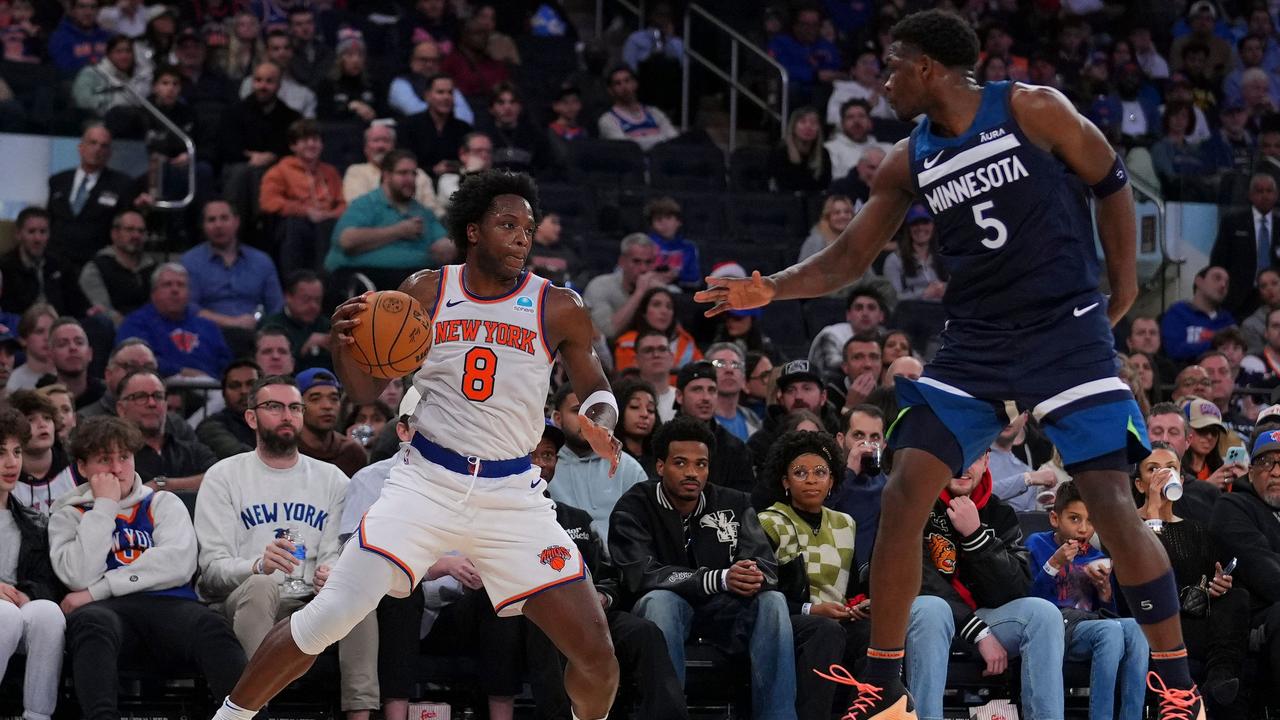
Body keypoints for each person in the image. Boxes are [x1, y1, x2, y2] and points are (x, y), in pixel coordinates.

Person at [696, 9, 1205, 717]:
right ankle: (887, 687)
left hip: (1065, 329)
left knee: (1115, 510)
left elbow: (1112, 184)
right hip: (977, 341)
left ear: (927, 65)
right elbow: (850, 257)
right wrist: (773, 286)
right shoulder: (910, 158)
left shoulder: (1030, 106)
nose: (882, 85)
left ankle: (1180, 689)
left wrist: (1121, 292)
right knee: (906, 492)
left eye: (892, 66)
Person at [209, 169, 624, 720]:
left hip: (511, 495)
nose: (523, 237)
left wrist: (598, 419)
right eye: (507, 225)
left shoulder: (558, 306)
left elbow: (595, 385)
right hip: (425, 484)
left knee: (598, 657)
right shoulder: (426, 292)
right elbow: (361, 391)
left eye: (528, 227)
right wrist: (345, 346)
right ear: (472, 231)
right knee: (325, 618)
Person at [194, 375, 379, 720]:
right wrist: (257, 566)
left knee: (357, 595)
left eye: (294, 407)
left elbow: (333, 552)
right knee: (263, 585)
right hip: (244, 599)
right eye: (273, 407)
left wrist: (331, 572)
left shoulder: (332, 478)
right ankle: (252, 712)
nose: (287, 415)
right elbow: (213, 570)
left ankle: (361, 714)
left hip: (309, 599)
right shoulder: (223, 476)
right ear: (251, 418)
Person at [49, 415, 247, 720]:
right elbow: (77, 575)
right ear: (82, 467)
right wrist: (104, 508)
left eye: (124, 457)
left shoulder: (162, 502)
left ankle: (247, 716)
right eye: (104, 459)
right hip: (107, 612)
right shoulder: (68, 513)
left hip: (168, 605)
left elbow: (177, 563)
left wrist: (98, 589)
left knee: (211, 625)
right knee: (92, 624)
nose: (117, 468)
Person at [609, 416, 797, 720]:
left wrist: (752, 574)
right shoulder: (634, 506)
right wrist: (718, 579)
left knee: (773, 601)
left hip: (725, 611)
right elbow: (638, 573)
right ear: (660, 467)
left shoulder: (735, 502)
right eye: (680, 463)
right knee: (661, 602)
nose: (692, 473)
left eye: (701, 464)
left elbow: (767, 566)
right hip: (665, 609)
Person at [906, 450, 1066, 720]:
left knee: (1044, 614)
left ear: (986, 461)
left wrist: (976, 536)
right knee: (931, 608)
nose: (965, 466)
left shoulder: (999, 512)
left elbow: (1015, 589)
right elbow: (918, 581)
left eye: (975, 456)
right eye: (957, 456)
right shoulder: (915, 502)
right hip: (930, 619)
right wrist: (979, 632)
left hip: (987, 617)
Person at [758, 429, 871, 720]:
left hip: (837, 618)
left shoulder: (846, 524)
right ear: (785, 481)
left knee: (874, 634)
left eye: (820, 472)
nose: (811, 480)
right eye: (800, 472)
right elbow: (763, 596)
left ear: (832, 480)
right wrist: (812, 609)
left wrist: (859, 605)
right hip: (790, 620)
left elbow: (854, 586)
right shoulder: (769, 521)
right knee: (826, 631)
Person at [1136, 443, 1249, 715]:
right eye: (1154, 469)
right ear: (1140, 485)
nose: (1163, 475)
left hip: (1193, 620)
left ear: (1181, 481)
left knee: (1237, 597)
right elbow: (1149, 576)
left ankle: (1218, 680)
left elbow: (1204, 584)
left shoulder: (1197, 529)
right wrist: (1152, 514)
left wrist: (1217, 586)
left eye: (1170, 469)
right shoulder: (1128, 526)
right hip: (1153, 624)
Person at [1027, 481, 1150, 720]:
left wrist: (1105, 593)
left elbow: (1107, 614)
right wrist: (1054, 563)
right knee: (1110, 632)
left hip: (1088, 627)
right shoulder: (1037, 544)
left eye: (1090, 520)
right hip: (1051, 627)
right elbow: (1029, 600)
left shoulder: (1097, 557)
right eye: (1074, 519)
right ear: (1055, 519)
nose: (1083, 528)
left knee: (1136, 628)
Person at [0, 406, 65, 720]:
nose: (11, 463)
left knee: (47, 612)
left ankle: (37, 716)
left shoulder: (33, 521)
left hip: (13, 606)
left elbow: (47, 582)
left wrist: (28, 594)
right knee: (6, 616)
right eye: (0, 453)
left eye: (16, 451)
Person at [1209, 427, 1280, 700]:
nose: (1275, 472)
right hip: (1256, 623)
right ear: (1250, 473)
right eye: (1265, 463)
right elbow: (1266, 575)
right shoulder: (1232, 506)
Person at [327, 148, 451, 295]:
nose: (410, 178)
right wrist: (399, 230)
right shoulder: (366, 204)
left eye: (414, 173)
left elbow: (445, 244)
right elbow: (347, 240)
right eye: (403, 173)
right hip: (368, 281)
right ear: (386, 175)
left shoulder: (422, 211)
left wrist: (446, 246)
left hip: (417, 281)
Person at [547, 384, 647, 550]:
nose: (588, 420)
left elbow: (645, 529)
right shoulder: (543, 467)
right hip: (559, 564)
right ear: (557, 418)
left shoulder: (628, 468)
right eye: (577, 410)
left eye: (596, 412)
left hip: (620, 567)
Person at [181, 199, 284, 354]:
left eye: (224, 218)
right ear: (204, 226)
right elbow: (190, 308)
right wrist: (232, 322)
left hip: (255, 336)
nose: (218, 225)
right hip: (208, 335)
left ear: (236, 221)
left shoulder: (262, 261)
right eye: (211, 220)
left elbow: (276, 307)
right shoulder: (190, 261)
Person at [46, 124, 146, 273]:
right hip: (57, 262)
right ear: (81, 147)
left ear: (109, 153)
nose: (98, 149)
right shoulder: (58, 180)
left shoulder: (122, 184)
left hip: (98, 265)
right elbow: (50, 219)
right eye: (92, 143)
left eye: (104, 145)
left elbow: (127, 223)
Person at [259, 119, 347, 277]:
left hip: (326, 222)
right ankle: (296, 283)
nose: (311, 144)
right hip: (295, 225)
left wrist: (329, 214)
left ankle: (327, 282)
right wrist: (305, 211)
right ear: (293, 146)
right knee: (296, 225)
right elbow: (268, 202)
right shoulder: (279, 170)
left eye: (315, 140)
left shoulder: (330, 171)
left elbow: (342, 203)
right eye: (305, 140)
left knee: (330, 225)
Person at [116, 263, 233, 380]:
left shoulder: (208, 326)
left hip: (211, 387)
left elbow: (226, 365)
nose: (175, 290)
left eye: (181, 285)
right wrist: (180, 372)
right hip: (159, 387)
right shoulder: (135, 323)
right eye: (167, 284)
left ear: (189, 293)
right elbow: (134, 360)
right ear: (153, 293)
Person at [114, 368, 217, 491]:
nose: (152, 403)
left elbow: (221, 478)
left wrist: (162, 484)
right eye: (140, 397)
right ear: (121, 409)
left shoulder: (192, 451)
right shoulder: (112, 457)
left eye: (158, 396)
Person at [674, 360, 756, 494]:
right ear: (679, 396)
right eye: (697, 389)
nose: (706, 398)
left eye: (711, 390)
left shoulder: (736, 449)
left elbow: (744, 501)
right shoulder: (661, 441)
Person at [827, 404, 889, 567]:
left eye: (875, 437)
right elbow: (815, 514)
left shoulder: (890, 488)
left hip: (878, 577)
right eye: (858, 435)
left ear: (883, 445)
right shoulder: (822, 481)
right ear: (841, 440)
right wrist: (850, 472)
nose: (866, 445)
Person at [1211, 173, 1279, 319]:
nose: (1265, 196)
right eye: (1259, 191)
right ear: (1250, 195)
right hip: (1238, 298)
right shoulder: (1233, 222)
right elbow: (1218, 262)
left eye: (1269, 191)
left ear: (1276, 195)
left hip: (1276, 299)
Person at [583, 232, 674, 339]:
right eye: (636, 261)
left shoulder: (659, 290)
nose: (643, 269)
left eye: (648, 262)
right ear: (622, 262)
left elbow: (671, 336)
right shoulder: (600, 286)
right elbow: (607, 333)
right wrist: (639, 293)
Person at [0, 207, 86, 318]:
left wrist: (91, 311)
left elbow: (79, 304)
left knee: (100, 322)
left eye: (43, 232)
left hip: (59, 326)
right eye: (31, 231)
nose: (38, 238)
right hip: (21, 327)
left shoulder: (60, 264)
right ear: (18, 234)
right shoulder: (6, 267)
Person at [341, 123, 441, 215]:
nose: (381, 146)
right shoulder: (356, 172)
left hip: (421, 228)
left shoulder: (418, 173)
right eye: (375, 140)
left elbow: (433, 210)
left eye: (386, 141)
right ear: (366, 148)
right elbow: (358, 208)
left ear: (394, 147)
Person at [78, 209, 156, 326]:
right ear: (114, 234)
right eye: (130, 230)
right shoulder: (95, 269)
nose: (136, 235)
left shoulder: (153, 268)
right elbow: (104, 312)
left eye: (141, 231)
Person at [397, 73, 473, 179]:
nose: (446, 97)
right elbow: (402, 162)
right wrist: (432, 170)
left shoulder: (464, 128)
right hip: (418, 183)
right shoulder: (408, 126)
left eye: (450, 93)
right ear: (427, 96)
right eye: (440, 92)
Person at [294, 368, 366, 478]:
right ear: (297, 406)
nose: (327, 406)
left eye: (334, 398)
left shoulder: (352, 453)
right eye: (315, 399)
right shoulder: (286, 451)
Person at [807, 289, 886, 385]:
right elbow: (832, 372)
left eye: (871, 308)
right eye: (859, 308)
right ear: (848, 315)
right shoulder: (831, 335)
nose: (865, 313)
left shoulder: (886, 338)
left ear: (881, 316)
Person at [613, 287, 700, 372]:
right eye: (656, 305)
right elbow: (627, 379)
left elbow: (702, 371)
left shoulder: (686, 342)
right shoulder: (627, 343)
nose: (664, 311)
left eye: (669, 307)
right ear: (644, 312)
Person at [259, 270, 331, 372]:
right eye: (306, 299)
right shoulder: (270, 326)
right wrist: (303, 348)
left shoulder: (326, 325)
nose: (313, 306)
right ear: (288, 297)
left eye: (318, 300)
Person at [1161, 266, 1237, 362]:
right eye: (1217, 278)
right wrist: (1214, 343)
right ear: (1199, 281)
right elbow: (1174, 350)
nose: (1223, 285)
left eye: (1227, 283)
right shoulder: (1178, 312)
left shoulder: (1227, 320)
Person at [987, 413, 1058, 512]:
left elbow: (1029, 518)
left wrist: (1051, 502)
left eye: (1014, 412)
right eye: (1004, 409)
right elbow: (977, 494)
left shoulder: (1027, 471)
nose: (1009, 419)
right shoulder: (974, 455)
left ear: (1025, 418)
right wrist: (1027, 478)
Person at [236, 30, 316, 117]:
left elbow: (307, 126)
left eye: (286, 48)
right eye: (276, 49)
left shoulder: (304, 92)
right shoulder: (251, 83)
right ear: (267, 52)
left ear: (292, 52)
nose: (282, 53)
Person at [597, 64, 677, 152]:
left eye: (627, 81)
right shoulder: (607, 120)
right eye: (618, 83)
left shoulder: (654, 113)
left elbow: (674, 140)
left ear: (635, 84)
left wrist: (637, 140)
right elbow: (628, 149)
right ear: (610, 91)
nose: (624, 87)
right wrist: (660, 139)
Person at [196, 360, 261, 459]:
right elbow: (241, 457)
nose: (244, 391)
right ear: (224, 394)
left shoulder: (275, 421)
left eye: (251, 384)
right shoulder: (211, 426)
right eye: (235, 386)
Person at [882, 205, 946, 303]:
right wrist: (924, 293)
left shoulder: (944, 255)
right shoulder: (894, 261)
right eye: (915, 223)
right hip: (911, 313)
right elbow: (892, 299)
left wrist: (945, 289)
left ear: (933, 225)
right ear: (908, 228)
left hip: (944, 312)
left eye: (925, 222)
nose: (920, 227)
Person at [706, 342, 760, 442]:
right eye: (719, 363)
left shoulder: (753, 419)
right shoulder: (698, 420)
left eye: (736, 365)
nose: (729, 369)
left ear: (743, 379)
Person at [770, 106, 832, 194]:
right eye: (802, 122)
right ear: (793, 127)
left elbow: (824, 185)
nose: (808, 127)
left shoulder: (824, 154)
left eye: (813, 123)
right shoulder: (780, 152)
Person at [826, 99, 892, 181]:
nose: (856, 121)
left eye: (861, 116)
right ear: (842, 124)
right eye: (850, 117)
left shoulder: (889, 149)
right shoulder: (829, 150)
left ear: (870, 122)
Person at [644, 196, 701, 290]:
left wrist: (677, 275)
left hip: (678, 293)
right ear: (652, 224)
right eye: (658, 219)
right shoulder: (642, 244)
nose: (664, 223)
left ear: (679, 222)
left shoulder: (689, 248)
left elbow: (695, 279)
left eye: (668, 218)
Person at [49, 317, 105, 410]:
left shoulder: (107, 397)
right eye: (63, 344)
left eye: (79, 342)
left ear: (90, 353)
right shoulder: (40, 401)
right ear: (51, 355)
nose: (72, 347)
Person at [6, 304, 58, 393]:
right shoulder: (12, 385)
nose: (47, 337)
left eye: (52, 330)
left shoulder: (70, 371)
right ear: (23, 339)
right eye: (39, 331)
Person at [613, 378, 659, 475]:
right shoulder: (606, 461)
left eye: (650, 409)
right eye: (634, 406)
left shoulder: (661, 461)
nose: (645, 414)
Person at [634, 328, 677, 422]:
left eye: (662, 349)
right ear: (636, 360)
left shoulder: (683, 400)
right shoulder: (626, 401)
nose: (656, 355)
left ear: (672, 357)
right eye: (648, 350)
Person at [798, 194, 855, 263]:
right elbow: (804, 271)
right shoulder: (816, 241)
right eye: (837, 213)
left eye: (847, 212)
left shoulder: (854, 239)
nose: (843, 216)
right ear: (827, 217)